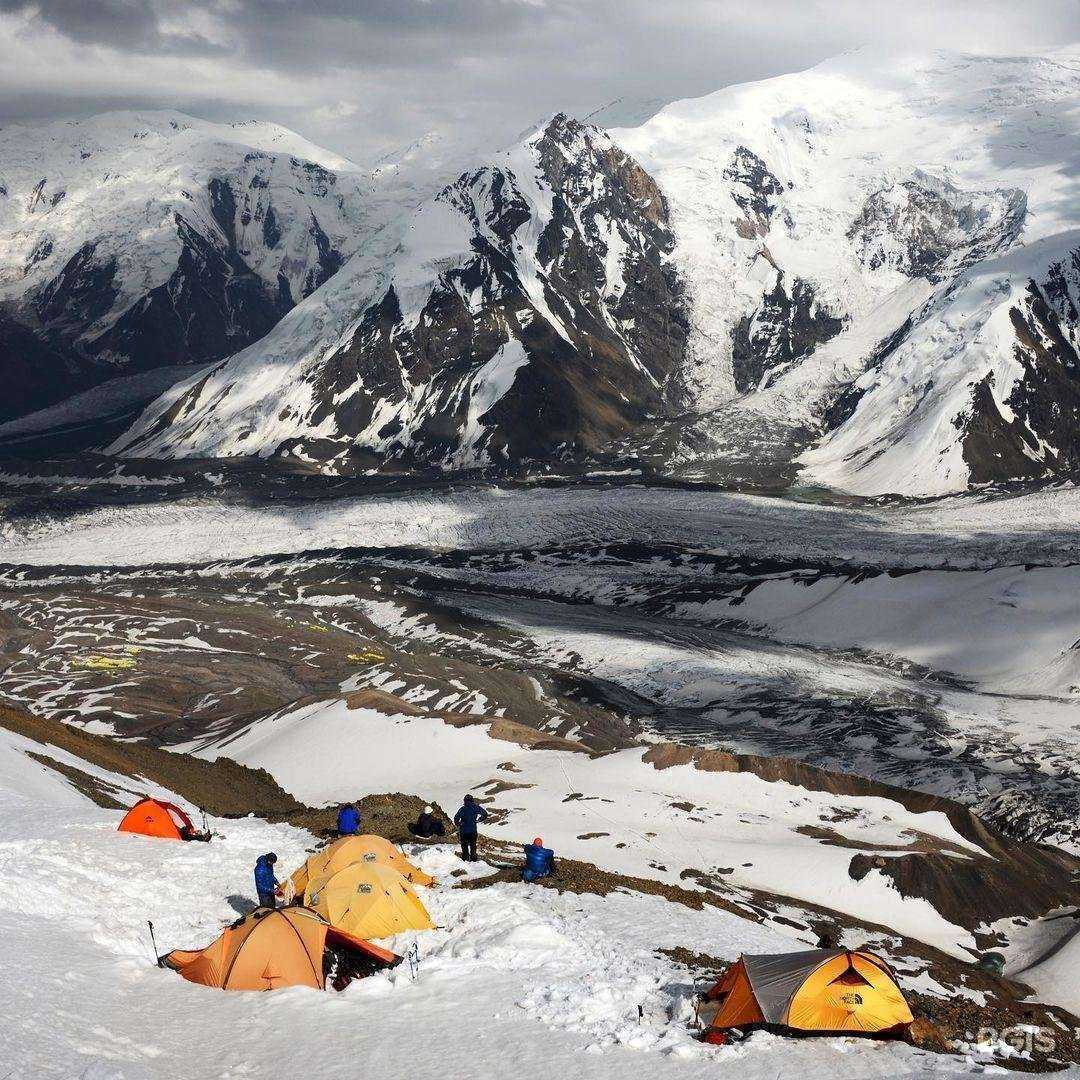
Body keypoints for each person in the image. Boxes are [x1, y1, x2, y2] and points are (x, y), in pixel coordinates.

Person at [453, 794, 488, 862]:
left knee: (464, 846)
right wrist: (479, 820)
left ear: (465, 801)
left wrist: (459, 824)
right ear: (472, 800)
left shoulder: (462, 809)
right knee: (473, 846)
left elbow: (456, 818)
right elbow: (485, 814)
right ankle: (473, 860)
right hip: (473, 830)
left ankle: (465, 860)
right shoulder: (476, 807)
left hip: (463, 831)